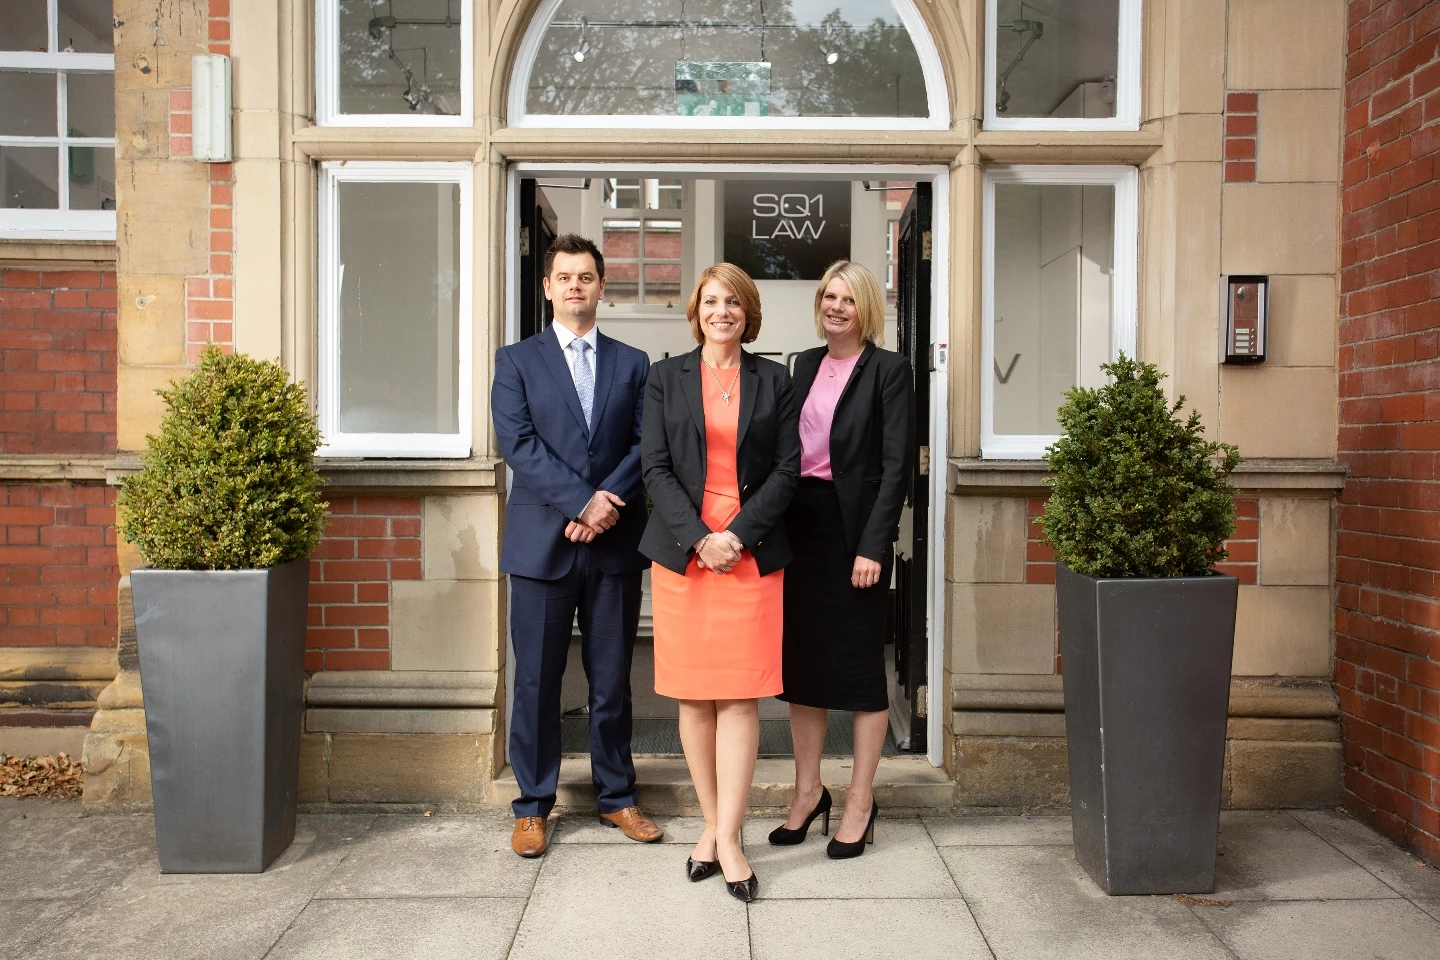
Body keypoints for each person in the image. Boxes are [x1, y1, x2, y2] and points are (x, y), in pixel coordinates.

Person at [492, 234, 664, 858]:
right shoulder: (516, 361)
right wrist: (581, 501)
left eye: (585, 277)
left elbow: (647, 446)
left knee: (613, 680)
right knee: (536, 682)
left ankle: (617, 797)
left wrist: (603, 506)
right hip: (542, 545)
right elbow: (519, 444)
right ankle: (533, 806)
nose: (574, 286)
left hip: (612, 544)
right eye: (563, 277)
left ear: (601, 286)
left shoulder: (633, 362)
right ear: (547, 287)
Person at [640, 263, 800, 902]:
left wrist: (737, 535)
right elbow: (654, 468)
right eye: (711, 301)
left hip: (751, 555)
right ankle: (711, 825)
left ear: (748, 312)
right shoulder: (663, 378)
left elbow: (788, 470)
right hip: (686, 554)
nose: (721, 311)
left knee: (739, 697)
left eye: (733, 301)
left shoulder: (776, 380)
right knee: (694, 697)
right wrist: (701, 538)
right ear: (696, 310)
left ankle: (727, 837)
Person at [770, 260, 912, 859]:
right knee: (801, 669)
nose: (835, 307)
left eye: (847, 299)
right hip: (799, 526)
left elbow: (896, 466)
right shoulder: (801, 364)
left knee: (857, 671)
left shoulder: (888, 370)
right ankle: (807, 793)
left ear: (866, 308)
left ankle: (859, 799)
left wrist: (872, 546)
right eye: (828, 296)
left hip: (853, 532)